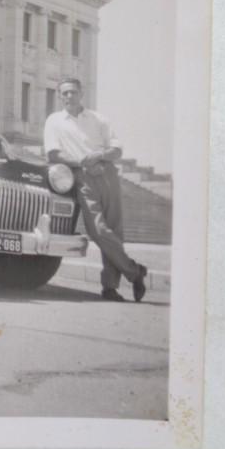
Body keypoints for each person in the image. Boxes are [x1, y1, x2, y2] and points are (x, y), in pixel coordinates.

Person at [43, 77, 148, 302]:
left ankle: (109, 288)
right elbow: (53, 154)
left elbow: (117, 149)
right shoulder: (54, 121)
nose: (69, 96)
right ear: (59, 96)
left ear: (81, 93)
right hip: (82, 177)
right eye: (65, 93)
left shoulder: (98, 119)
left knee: (114, 229)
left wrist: (98, 156)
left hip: (107, 174)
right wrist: (84, 161)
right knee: (98, 230)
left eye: (73, 92)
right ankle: (134, 271)